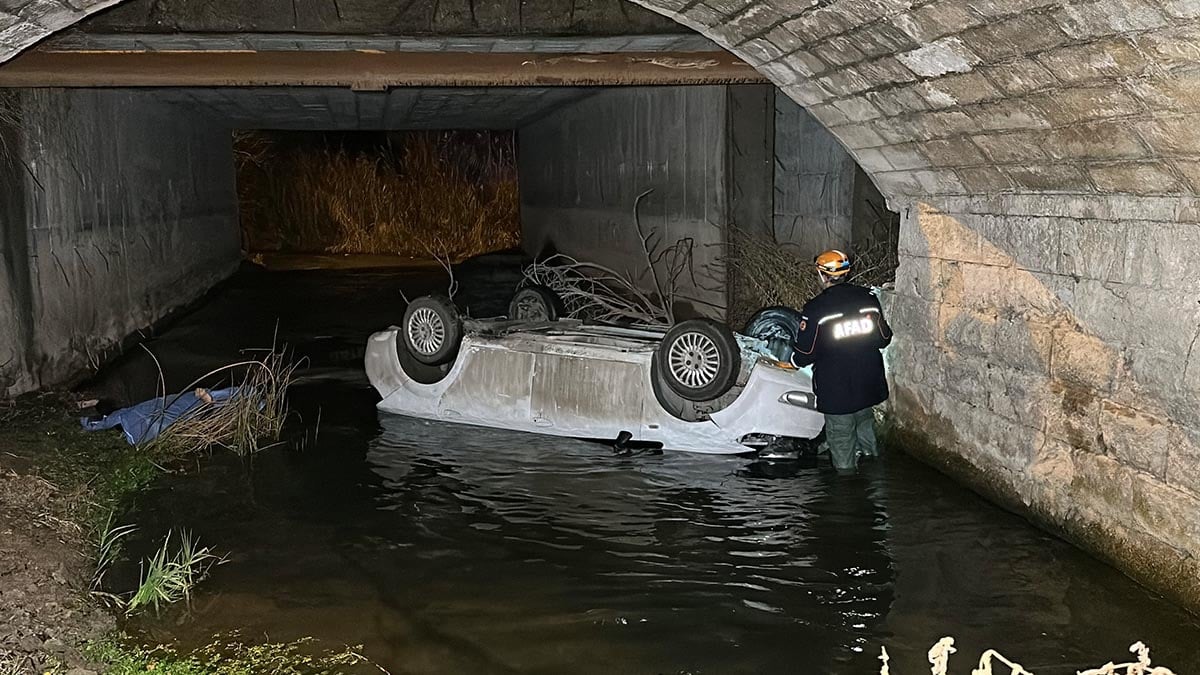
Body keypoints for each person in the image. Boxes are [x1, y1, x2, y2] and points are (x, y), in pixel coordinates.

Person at [790, 249, 892, 475]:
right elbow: (884, 339)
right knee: (867, 434)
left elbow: (804, 354)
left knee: (842, 446)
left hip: (839, 392)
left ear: (823, 275)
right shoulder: (868, 298)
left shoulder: (816, 309)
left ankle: (847, 497)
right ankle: (876, 478)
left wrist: (792, 358)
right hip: (869, 385)